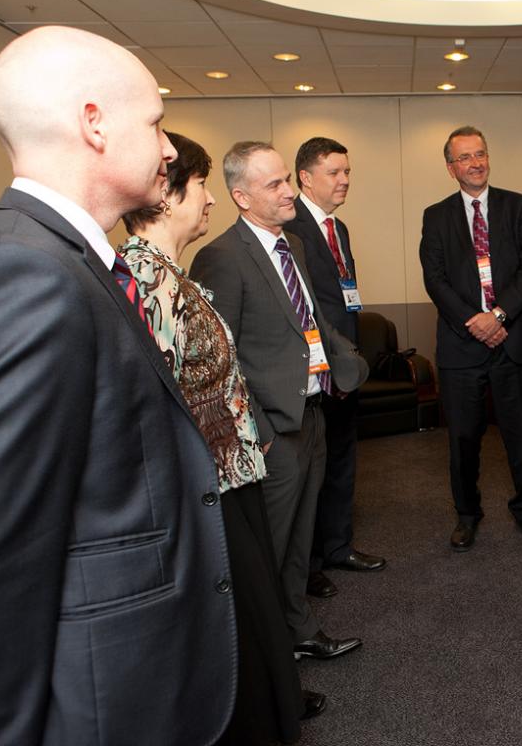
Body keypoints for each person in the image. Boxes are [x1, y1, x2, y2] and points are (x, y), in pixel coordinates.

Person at [0, 26, 235, 744]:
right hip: (91, 705)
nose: (165, 147)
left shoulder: (60, 259)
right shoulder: (23, 275)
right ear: (93, 124)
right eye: (154, 121)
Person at [119, 132, 316, 743]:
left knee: (251, 608)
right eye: (201, 186)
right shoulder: (142, 280)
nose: (209, 202)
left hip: (233, 471)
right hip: (207, 483)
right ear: (166, 192)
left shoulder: (170, 275)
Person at [190, 141, 369, 666]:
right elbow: (221, 358)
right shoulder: (220, 257)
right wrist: (261, 427)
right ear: (242, 196)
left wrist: (347, 361)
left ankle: (298, 630)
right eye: (275, 184)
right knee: (268, 546)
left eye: (287, 180)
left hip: (312, 414)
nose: (289, 190)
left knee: (298, 541)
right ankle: (264, 656)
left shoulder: (293, 244)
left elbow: (309, 323)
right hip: (273, 430)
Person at [420, 126, 522, 551]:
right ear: (451, 167)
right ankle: (467, 514)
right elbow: (434, 279)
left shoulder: (517, 206)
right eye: (465, 157)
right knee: (462, 439)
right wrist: (473, 321)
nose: (475, 163)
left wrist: (496, 315)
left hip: (514, 338)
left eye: (481, 154)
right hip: (462, 344)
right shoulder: (435, 216)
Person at [284, 136, 385, 600]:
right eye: (335, 173)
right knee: (311, 470)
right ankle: (309, 565)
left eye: (348, 172)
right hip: (313, 367)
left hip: (343, 362)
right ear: (306, 178)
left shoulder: (336, 228)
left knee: (343, 457)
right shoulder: (291, 229)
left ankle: (338, 545)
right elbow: (303, 309)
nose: (345, 180)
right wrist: (327, 366)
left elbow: (345, 298)